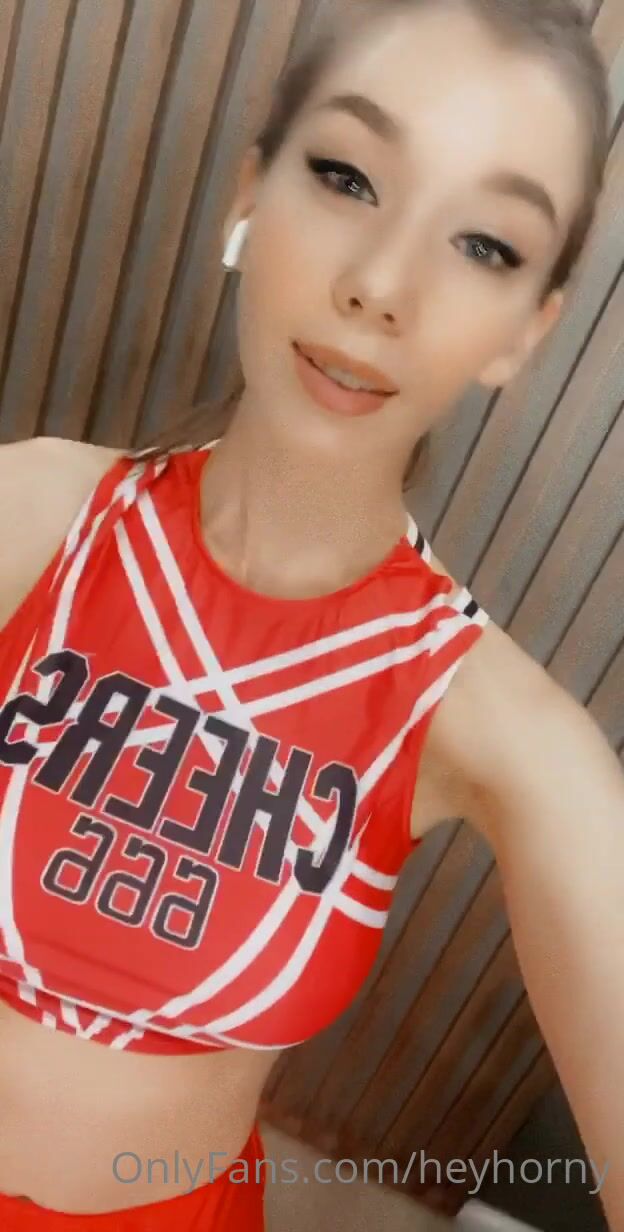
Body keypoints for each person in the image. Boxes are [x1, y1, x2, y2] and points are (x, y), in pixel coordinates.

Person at [0, 0, 621, 1228]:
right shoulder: (32, 517)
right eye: (347, 176)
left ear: (524, 333)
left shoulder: (498, 729)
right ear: (252, 192)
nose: (379, 287)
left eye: (484, 244)